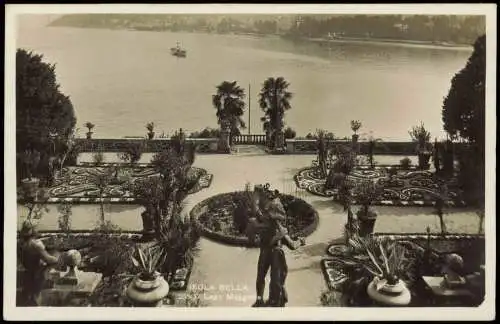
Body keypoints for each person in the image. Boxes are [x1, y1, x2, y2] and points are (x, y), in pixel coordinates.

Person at [247, 184, 305, 307]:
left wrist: (300, 241)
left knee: (275, 281)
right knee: (262, 277)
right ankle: (260, 299)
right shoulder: (266, 220)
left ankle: (276, 301)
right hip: (267, 249)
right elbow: (260, 218)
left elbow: (290, 243)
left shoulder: (277, 226)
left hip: (274, 251)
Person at [18, 221, 63, 306]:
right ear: (33, 231)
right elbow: (49, 259)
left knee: (27, 298)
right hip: (37, 274)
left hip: (27, 273)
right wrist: (57, 257)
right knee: (36, 298)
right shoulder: (35, 245)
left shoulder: (20, 244)